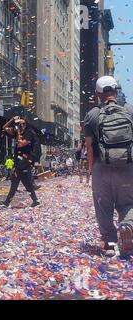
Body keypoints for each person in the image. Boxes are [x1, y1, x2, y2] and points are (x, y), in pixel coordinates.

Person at [84, 75, 133, 257]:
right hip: (127, 166)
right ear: (116, 90)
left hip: (101, 167)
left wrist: (90, 169)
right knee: (128, 202)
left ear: (98, 94)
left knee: (103, 206)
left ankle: (110, 243)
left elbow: (89, 145)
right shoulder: (129, 110)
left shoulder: (92, 114)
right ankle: (127, 224)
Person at [0, 116, 40, 208]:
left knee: (17, 179)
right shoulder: (18, 131)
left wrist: (17, 133)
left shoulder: (29, 132)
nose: (21, 125)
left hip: (25, 159)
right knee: (21, 181)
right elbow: (4, 128)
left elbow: (21, 144)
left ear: (26, 124)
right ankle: (35, 200)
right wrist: (11, 120)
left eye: (23, 123)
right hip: (18, 160)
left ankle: (7, 202)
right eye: (20, 124)